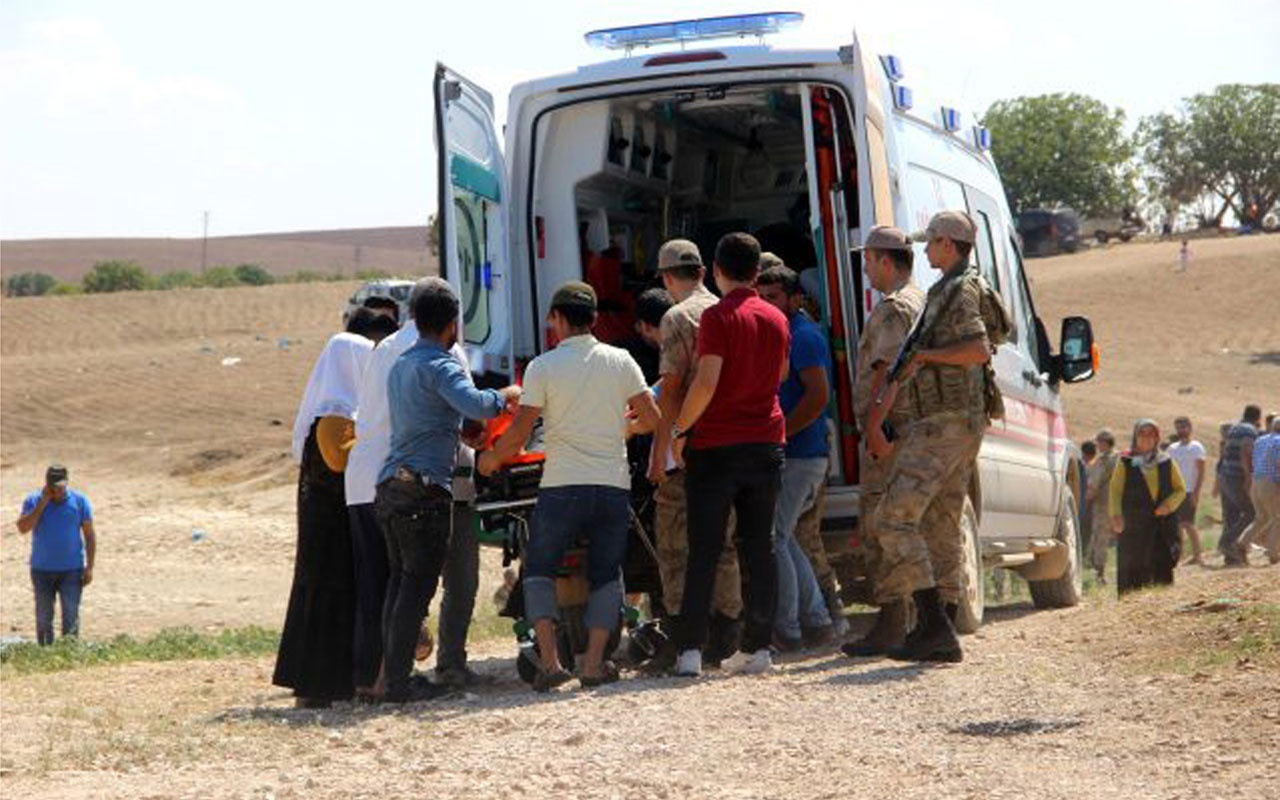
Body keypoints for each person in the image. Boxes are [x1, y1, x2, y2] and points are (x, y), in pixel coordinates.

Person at [480, 281, 660, 691]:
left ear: (557, 319)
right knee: (605, 574)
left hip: (561, 486)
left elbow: (519, 434)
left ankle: (551, 662)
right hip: (611, 486)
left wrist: (490, 460)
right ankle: (594, 663)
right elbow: (652, 418)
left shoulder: (543, 367)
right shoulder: (621, 360)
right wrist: (624, 430)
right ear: (595, 319)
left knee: (540, 570)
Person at [863, 211, 1011, 663]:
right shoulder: (960, 285)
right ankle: (940, 628)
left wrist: (925, 355)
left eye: (931, 243)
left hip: (944, 423)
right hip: (959, 421)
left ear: (949, 245)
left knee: (891, 519)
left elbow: (979, 348)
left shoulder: (957, 289)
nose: (924, 251)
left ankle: (932, 623)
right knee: (941, 524)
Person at [376, 280, 520, 703]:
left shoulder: (401, 364)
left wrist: (459, 430)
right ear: (452, 324)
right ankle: (400, 685)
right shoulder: (442, 364)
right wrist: (506, 395)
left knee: (400, 587)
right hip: (424, 492)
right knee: (416, 590)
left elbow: (431, 416)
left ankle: (393, 678)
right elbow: (477, 404)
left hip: (390, 486)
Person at [669, 232, 791, 678]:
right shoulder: (777, 318)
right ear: (757, 272)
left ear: (717, 270)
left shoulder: (718, 317)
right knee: (760, 547)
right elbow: (780, 373)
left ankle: (689, 651)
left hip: (718, 446)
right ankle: (758, 647)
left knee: (704, 549)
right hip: (767, 442)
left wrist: (681, 430)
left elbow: (707, 380)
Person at [645, 239, 745, 672]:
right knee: (724, 543)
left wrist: (661, 452)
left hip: (690, 446)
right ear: (703, 271)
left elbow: (670, 392)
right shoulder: (730, 312)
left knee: (674, 546)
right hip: (733, 444)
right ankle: (729, 632)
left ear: (668, 279)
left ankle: (682, 636)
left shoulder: (676, 318)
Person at [273, 318, 379, 708]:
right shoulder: (335, 415)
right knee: (328, 601)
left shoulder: (335, 411)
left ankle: (325, 683)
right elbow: (340, 463)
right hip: (331, 528)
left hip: (328, 524)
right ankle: (320, 686)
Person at [839, 226, 926, 658]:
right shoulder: (920, 299)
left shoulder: (893, 309)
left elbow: (885, 371)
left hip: (890, 433)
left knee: (881, 526)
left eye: (869, 259)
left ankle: (892, 623)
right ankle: (909, 620)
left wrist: (874, 427)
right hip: (911, 433)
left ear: (886, 261)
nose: (866, 268)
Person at [757, 263, 835, 650]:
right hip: (798, 452)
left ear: (795, 298)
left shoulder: (803, 337)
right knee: (784, 538)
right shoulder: (788, 331)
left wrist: (781, 433)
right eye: (761, 297)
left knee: (775, 538)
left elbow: (818, 395)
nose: (766, 304)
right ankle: (818, 620)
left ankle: (788, 628)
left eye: (773, 298)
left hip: (801, 454)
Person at [16, 465, 96, 645]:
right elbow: (22, 528)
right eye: (53, 486)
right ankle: (45, 654)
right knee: (44, 617)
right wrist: (42, 504)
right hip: (41, 570)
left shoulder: (79, 501)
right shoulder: (33, 500)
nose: (57, 491)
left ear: (66, 483)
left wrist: (89, 567)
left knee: (70, 614)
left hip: (72, 571)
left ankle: (69, 653)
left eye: (60, 486)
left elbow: (89, 535)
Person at [1108, 420, 1186, 594]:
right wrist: (1115, 516)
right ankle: (1130, 606)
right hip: (1133, 524)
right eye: (1142, 434)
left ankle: (1160, 604)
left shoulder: (1166, 461)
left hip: (1161, 524)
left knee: (1161, 566)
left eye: (1151, 434)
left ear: (1157, 438)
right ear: (1135, 437)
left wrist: (1169, 505)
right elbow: (1115, 490)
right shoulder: (1125, 461)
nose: (1146, 438)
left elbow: (1180, 490)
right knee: (1132, 566)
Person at [1218, 405, 1261, 566]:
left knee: (1232, 514)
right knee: (1251, 512)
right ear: (1258, 417)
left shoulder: (1235, 429)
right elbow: (1246, 451)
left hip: (1225, 474)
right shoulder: (1249, 430)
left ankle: (1231, 558)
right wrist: (1247, 478)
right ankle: (1226, 542)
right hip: (1237, 477)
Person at [1238, 417, 1280, 564]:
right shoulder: (1279, 441)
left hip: (1256, 482)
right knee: (1277, 517)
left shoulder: (1260, 440)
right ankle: (1273, 553)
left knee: (1261, 517)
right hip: (1270, 483)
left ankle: (1243, 543)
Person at [1167, 417, 1207, 566]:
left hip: (1189, 490)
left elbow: (1201, 471)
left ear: (1190, 428)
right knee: (1176, 525)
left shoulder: (1196, 447)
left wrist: (1196, 492)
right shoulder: (1172, 449)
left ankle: (1198, 555)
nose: (1181, 430)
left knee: (1188, 523)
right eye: (1178, 427)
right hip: (1175, 491)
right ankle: (1179, 556)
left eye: (1184, 427)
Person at [1085, 429, 1120, 584]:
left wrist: (1086, 501)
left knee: (1100, 537)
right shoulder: (1119, 458)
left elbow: (1095, 483)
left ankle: (1099, 573)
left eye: (1099, 442)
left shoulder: (1104, 460)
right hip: (1116, 502)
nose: (1097, 445)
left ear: (1105, 442)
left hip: (1103, 503)